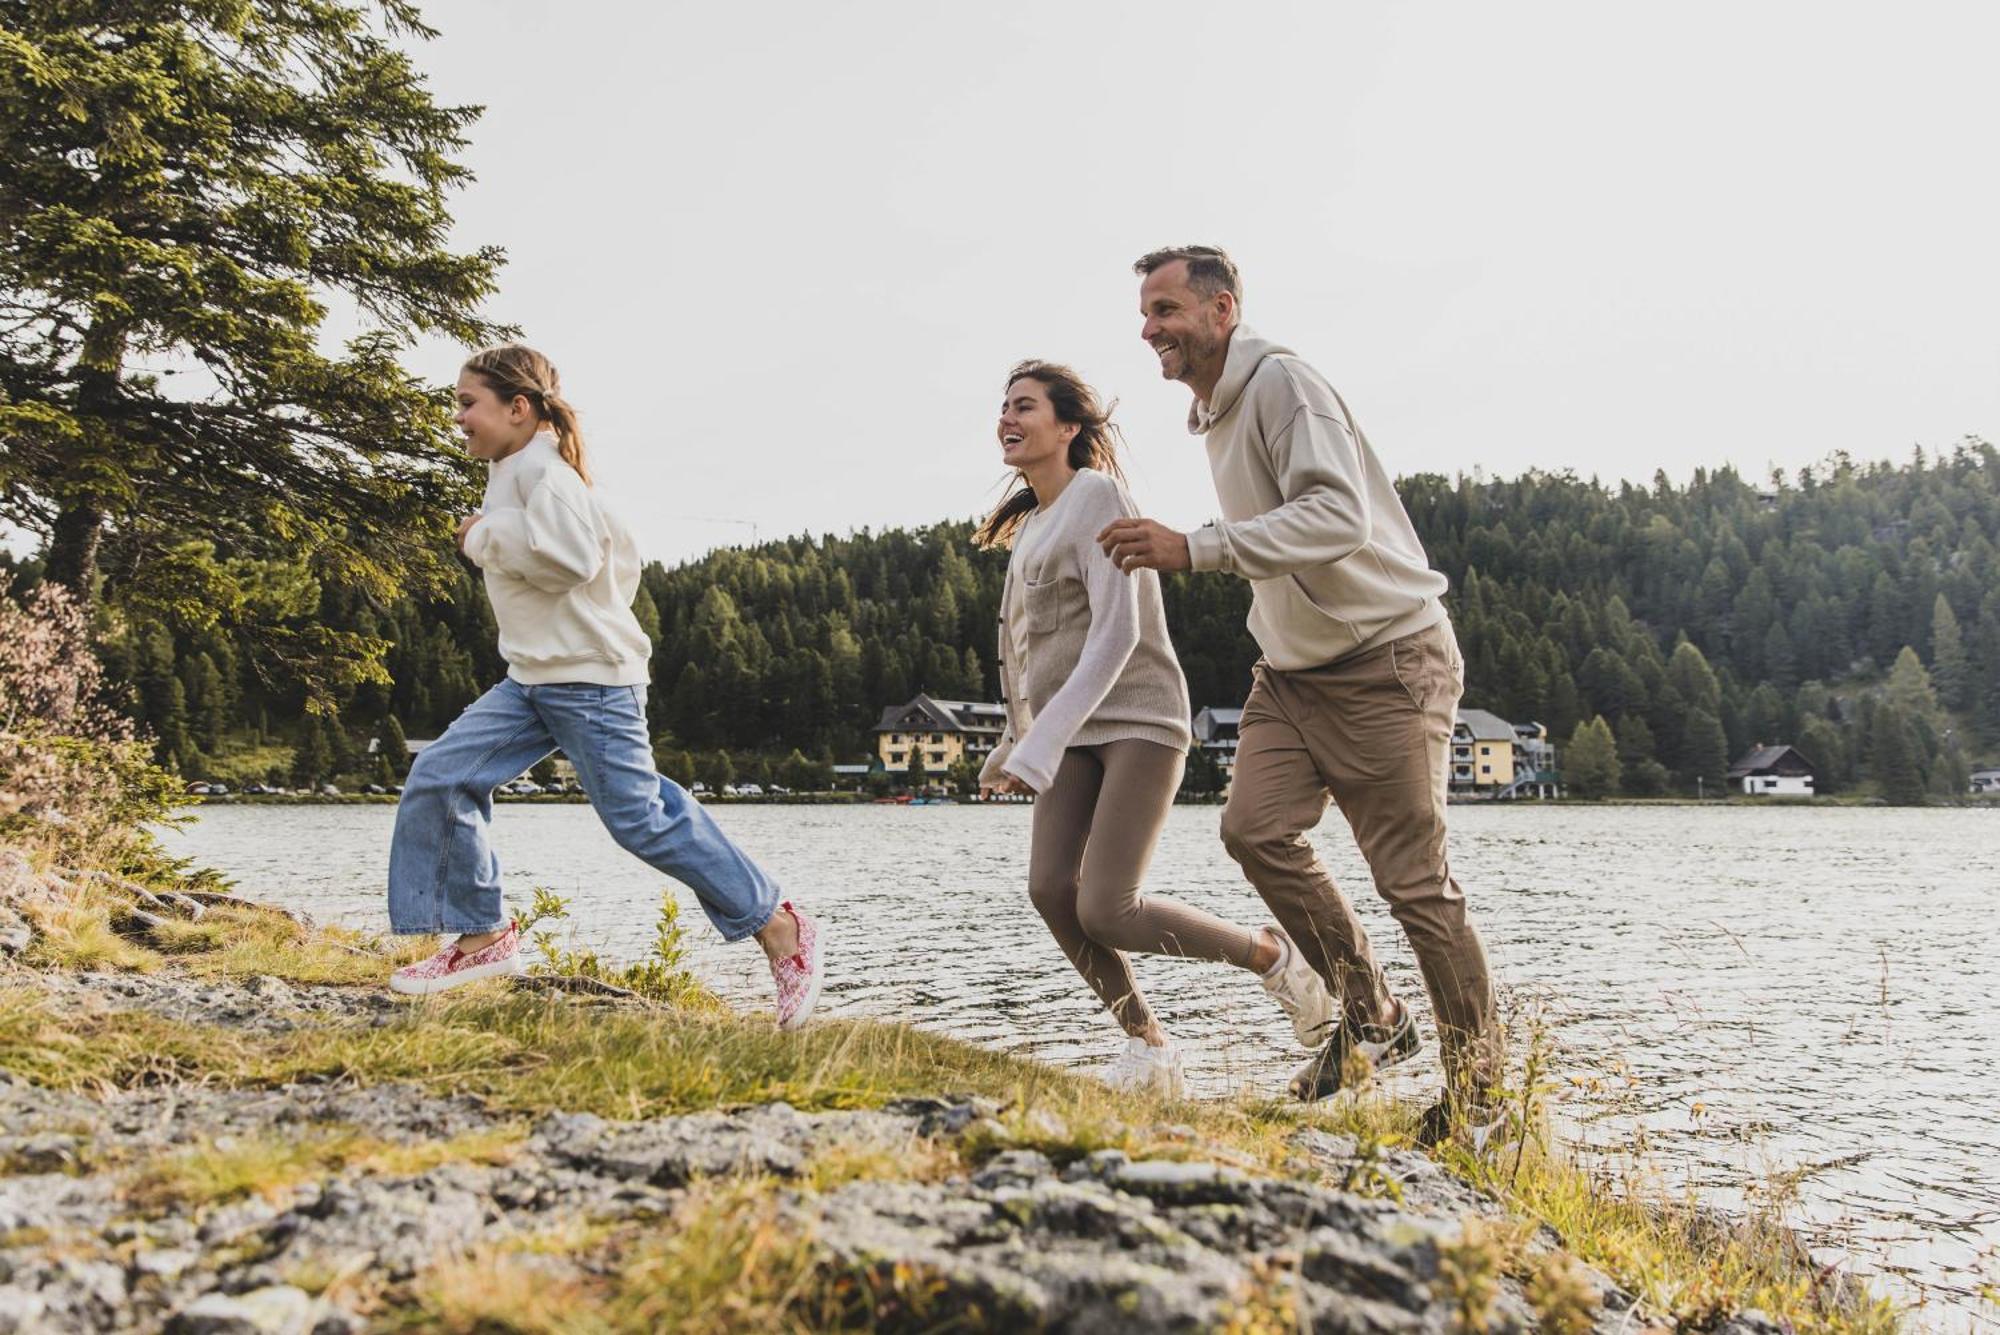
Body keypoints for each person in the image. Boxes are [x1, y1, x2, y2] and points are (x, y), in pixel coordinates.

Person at [1099, 247, 1505, 1146]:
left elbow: (1336, 518)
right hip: (1290, 674)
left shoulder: (1282, 384)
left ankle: (1482, 1099)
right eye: (1145, 312)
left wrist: (1194, 548)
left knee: (1415, 886)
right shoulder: (1213, 409)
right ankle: (1372, 1016)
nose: (1149, 329)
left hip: (1387, 660)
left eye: (1165, 309)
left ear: (1221, 309)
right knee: (1253, 829)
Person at [383, 343, 825, 1029]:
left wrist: (481, 537)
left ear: (518, 407)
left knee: (642, 816)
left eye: (468, 403)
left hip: (589, 682)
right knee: (442, 773)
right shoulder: (518, 468)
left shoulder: (545, 475)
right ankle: (481, 936)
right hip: (533, 676)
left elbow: (572, 560)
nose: (459, 418)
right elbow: (616, 561)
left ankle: (781, 925)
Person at [976, 360, 1334, 1098]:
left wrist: (1038, 743)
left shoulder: (1098, 497)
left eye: (1025, 406)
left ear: (1068, 426)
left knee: (1108, 905)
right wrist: (1014, 740)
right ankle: (1151, 1046)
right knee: (1050, 888)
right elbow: (1023, 652)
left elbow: (1117, 632)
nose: (1008, 419)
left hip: (1140, 719)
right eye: (1004, 407)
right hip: (1069, 732)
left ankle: (1269, 954)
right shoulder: (1034, 527)